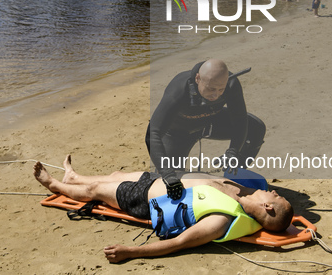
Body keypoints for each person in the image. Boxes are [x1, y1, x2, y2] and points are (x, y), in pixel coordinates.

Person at [34, 156, 293, 263]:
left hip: (144, 199)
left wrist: (131, 252)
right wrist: (289, 225)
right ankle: (73, 177)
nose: (274, 191)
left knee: (97, 191)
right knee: (116, 174)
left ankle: (54, 184)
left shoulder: (221, 219)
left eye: (276, 196)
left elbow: (179, 243)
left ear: (267, 206)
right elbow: (285, 222)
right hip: (162, 180)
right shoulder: (248, 194)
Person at [145, 59, 266, 200]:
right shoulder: (179, 88)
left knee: (256, 128)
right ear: (198, 79)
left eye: (221, 90)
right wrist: (167, 174)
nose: (216, 95)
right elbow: (152, 134)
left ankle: (234, 176)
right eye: (211, 89)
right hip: (177, 134)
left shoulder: (231, 84)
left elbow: (240, 121)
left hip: (209, 124)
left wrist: (233, 151)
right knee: (170, 184)